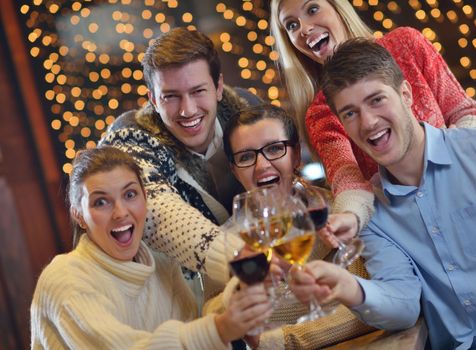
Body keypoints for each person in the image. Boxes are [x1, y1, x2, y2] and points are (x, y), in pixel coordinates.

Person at [289, 38, 476, 350]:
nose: (368, 122)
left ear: (406, 94)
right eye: (350, 113)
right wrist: (349, 287)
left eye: (376, 100)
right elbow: (403, 305)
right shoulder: (372, 213)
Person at [270, 0, 476, 236]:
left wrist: (457, 161)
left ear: (339, 9)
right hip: (412, 228)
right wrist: (350, 216)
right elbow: (346, 175)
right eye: (291, 25)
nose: (304, 28)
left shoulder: (406, 44)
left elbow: (464, 113)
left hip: (467, 189)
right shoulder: (320, 111)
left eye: (312, 10)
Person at [30, 146, 273, 349]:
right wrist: (220, 329)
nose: (121, 212)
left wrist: (238, 295)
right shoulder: (64, 279)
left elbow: (189, 327)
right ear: (79, 216)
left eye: (130, 194)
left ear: (146, 199)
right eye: (101, 202)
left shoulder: (160, 261)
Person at [99, 27, 261, 287]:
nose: (187, 110)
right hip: (181, 297)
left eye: (198, 91)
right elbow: (159, 211)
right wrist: (244, 263)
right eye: (171, 96)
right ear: (153, 99)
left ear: (218, 87)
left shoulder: (247, 109)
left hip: (267, 272)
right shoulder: (129, 136)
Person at [222, 104, 375, 349]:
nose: (261, 166)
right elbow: (214, 319)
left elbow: (372, 305)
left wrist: (280, 340)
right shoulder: (223, 243)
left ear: (295, 154)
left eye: (274, 149)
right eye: (246, 156)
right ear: (234, 169)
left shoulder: (343, 211)